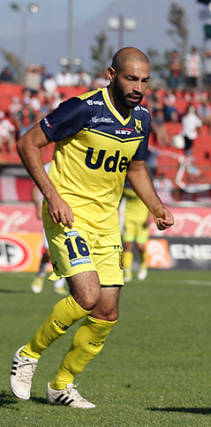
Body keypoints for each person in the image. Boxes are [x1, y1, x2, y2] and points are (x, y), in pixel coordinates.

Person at [10, 47, 174, 408]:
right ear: (111, 74)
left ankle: (61, 385)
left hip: (105, 222)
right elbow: (27, 144)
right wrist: (53, 197)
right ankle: (29, 355)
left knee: (106, 312)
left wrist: (157, 206)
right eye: (131, 78)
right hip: (67, 215)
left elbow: (136, 169)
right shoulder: (82, 108)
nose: (138, 87)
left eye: (145, 80)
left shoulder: (142, 119)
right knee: (86, 297)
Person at [30, 162, 67, 295]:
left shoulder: (77, 162)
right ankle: (40, 274)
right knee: (49, 253)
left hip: (70, 212)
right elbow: (35, 188)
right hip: (49, 212)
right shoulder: (48, 166)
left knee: (66, 250)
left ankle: (59, 285)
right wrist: (38, 207)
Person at [121, 181, 151, 282]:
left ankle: (143, 264)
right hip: (129, 219)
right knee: (128, 246)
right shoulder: (124, 186)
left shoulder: (143, 186)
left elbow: (151, 200)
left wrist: (151, 215)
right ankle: (128, 272)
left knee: (140, 246)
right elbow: (118, 201)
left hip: (142, 220)